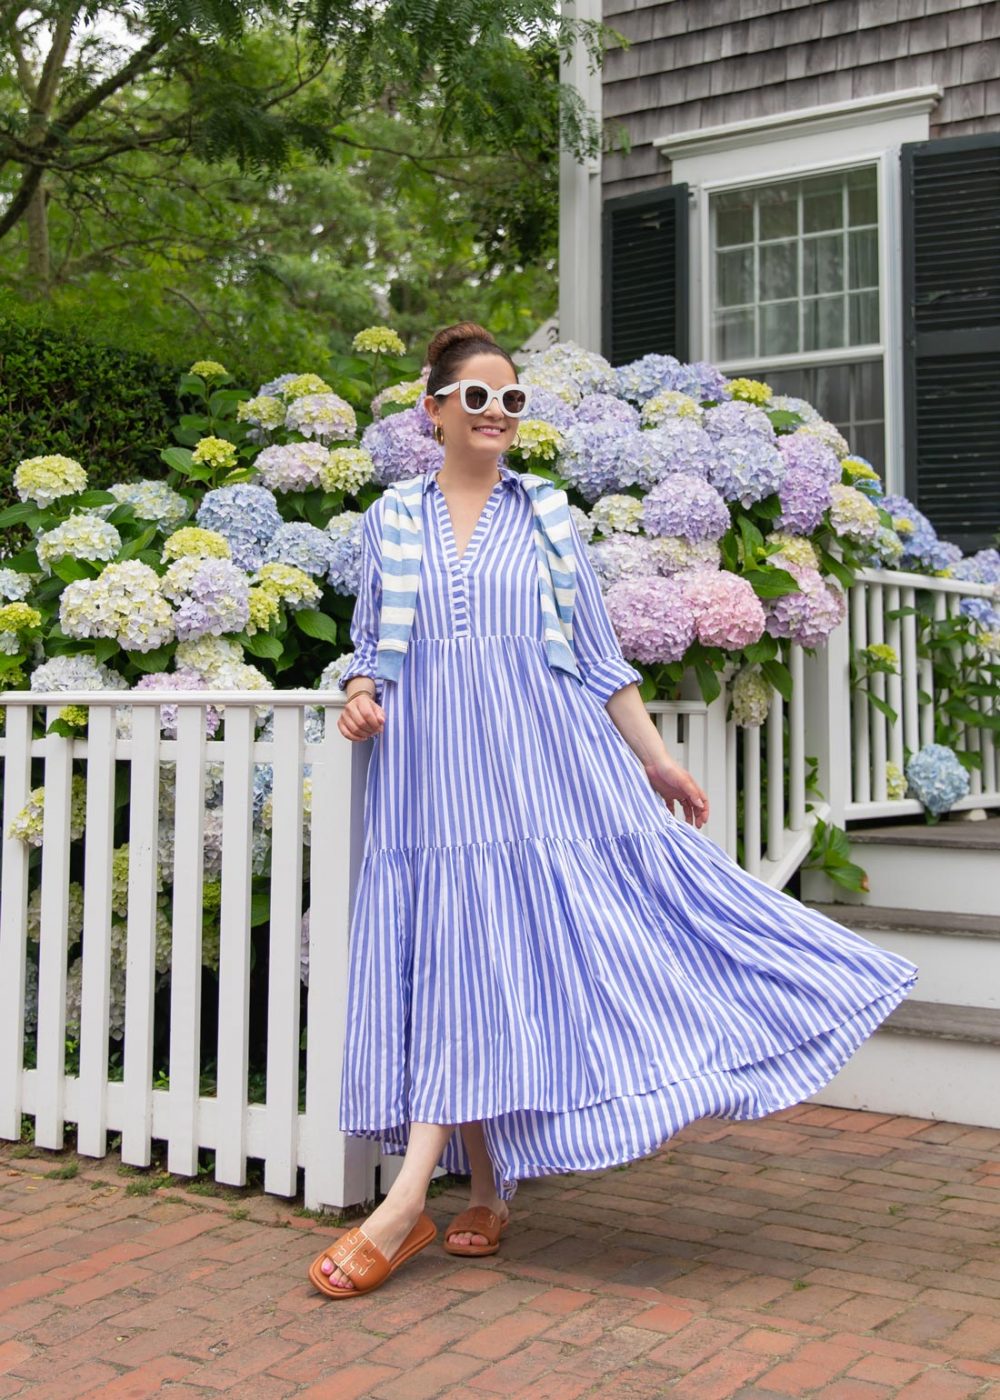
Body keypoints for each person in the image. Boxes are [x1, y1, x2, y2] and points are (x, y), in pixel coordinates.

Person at [307, 321, 918, 1299]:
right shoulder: (389, 521)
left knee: (500, 939)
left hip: (541, 767)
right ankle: (489, 1188)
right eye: (477, 398)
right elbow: (370, 648)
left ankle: (411, 1194)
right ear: (433, 412)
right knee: (459, 946)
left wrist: (658, 762)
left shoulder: (546, 512)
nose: (499, 414)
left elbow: (596, 659)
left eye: (512, 400)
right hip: (430, 770)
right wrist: (358, 694)